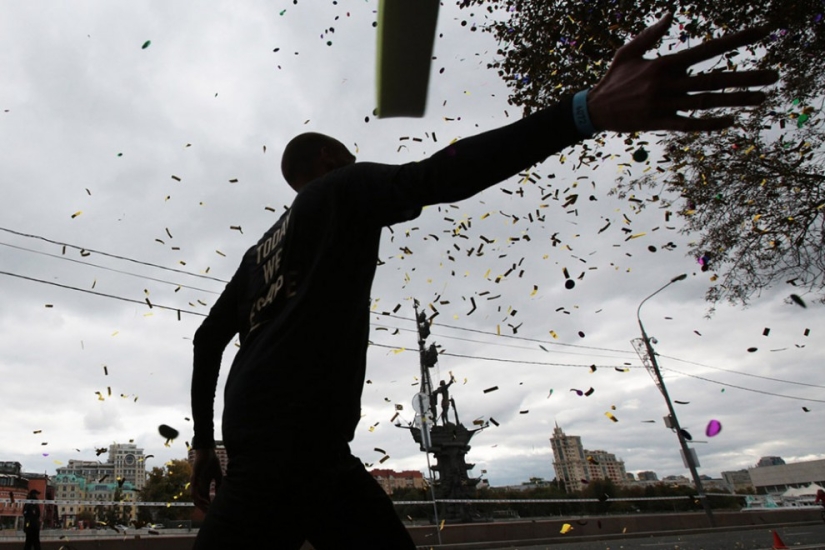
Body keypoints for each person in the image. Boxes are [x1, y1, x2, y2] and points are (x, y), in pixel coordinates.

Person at [189, 13, 778, 549]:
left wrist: (203, 449)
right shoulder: (341, 188)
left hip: (267, 449)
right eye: (348, 154)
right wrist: (586, 112)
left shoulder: (258, 252)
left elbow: (207, 340)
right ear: (325, 163)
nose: (358, 161)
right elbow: (441, 176)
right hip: (297, 447)